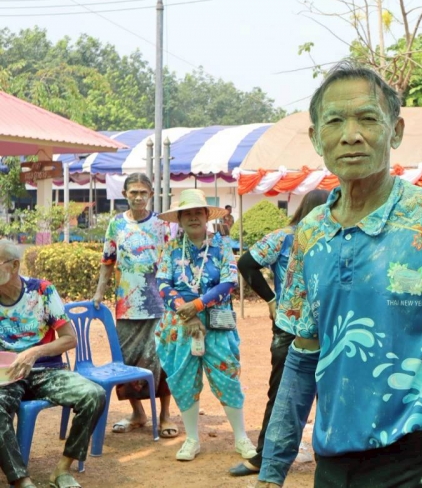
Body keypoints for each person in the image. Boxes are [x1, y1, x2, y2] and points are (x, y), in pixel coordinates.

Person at [256, 62, 422, 487]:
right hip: (333, 462)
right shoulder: (309, 234)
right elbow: (302, 357)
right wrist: (271, 472)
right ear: (316, 138)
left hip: (416, 461)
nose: (351, 135)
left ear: (395, 131)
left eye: (367, 118)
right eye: (335, 121)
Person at [227, 189, 329, 478]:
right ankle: (265, 457)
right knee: (283, 393)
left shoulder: (334, 238)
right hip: (292, 328)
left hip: (328, 328)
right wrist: (271, 300)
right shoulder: (285, 237)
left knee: (326, 394)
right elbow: (246, 263)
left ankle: (327, 459)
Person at [154, 189, 256, 462]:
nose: (193, 218)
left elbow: (229, 282)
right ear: (179, 219)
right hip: (180, 324)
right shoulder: (171, 248)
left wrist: (197, 306)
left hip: (217, 322)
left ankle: (241, 437)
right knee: (183, 378)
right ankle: (192, 439)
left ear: (206, 216)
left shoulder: (221, 245)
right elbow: (163, 283)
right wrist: (186, 313)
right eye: (186, 213)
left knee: (227, 375)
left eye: (198, 212)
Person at [0, 239, 106, 488]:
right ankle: (21, 480)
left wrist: (34, 352)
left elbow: (70, 339)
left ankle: (62, 470)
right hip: (6, 375)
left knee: (94, 395)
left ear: (14, 266)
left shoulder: (42, 291)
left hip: (46, 370)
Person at [91, 173, 177, 439]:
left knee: (162, 359)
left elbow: (171, 261)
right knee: (126, 359)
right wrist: (99, 293)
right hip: (126, 305)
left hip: (159, 304)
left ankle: (165, 415)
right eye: (133, 192)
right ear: (125, 194)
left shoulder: (162, 223)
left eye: (143, 192)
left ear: (151, 194)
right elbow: (108, 260)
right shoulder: (116, 223)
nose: (138, 197)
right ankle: (138, 413)